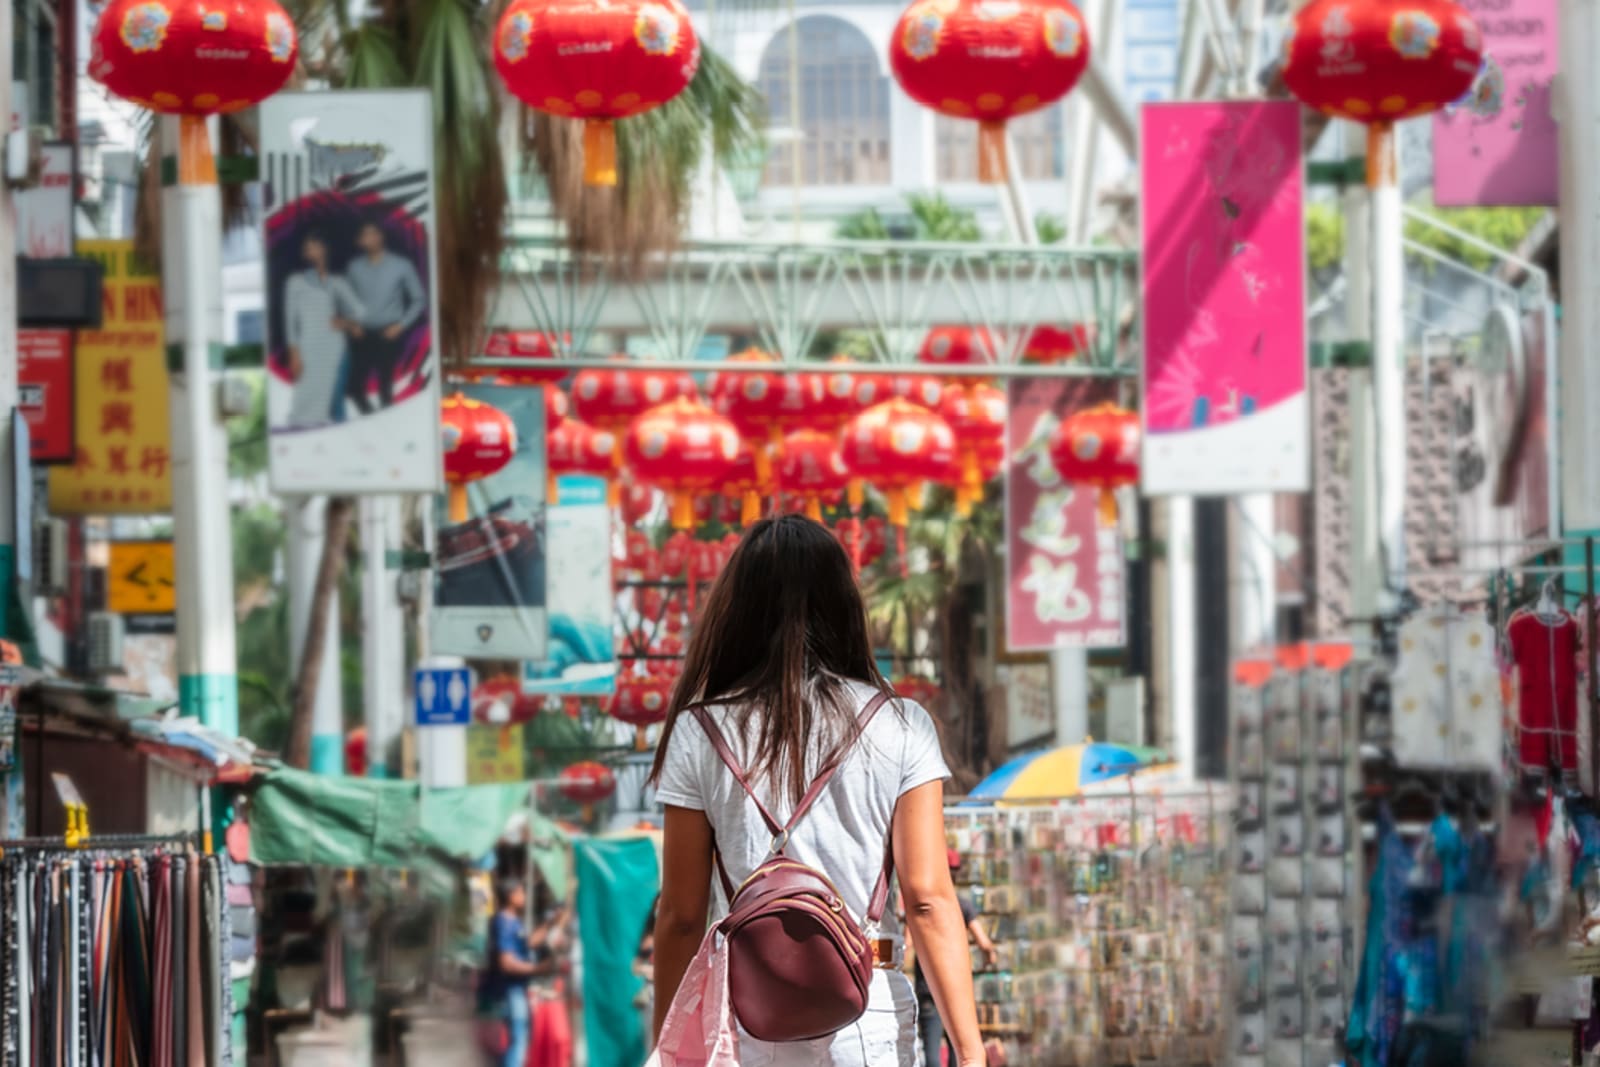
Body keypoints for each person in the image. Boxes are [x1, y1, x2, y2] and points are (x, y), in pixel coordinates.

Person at [649, 514, 986, 1067]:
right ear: (842, 606)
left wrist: (669, 1052)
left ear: (739, 613)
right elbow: (927, 899)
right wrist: (971, 1055)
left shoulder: (699, 730)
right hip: (869, 1011)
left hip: (748, 1017)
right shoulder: (902, 725)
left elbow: (681, 916)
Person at [912, 850, 997, 1067]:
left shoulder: (920, 904)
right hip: (958, 988)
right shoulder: (963, 906)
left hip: (928, 986)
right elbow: (984, 942)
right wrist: (989, 958)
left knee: (931, 1052)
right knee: (961, 1055)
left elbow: (908, 943)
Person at [282, 230, 363, 427]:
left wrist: (343, 322)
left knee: (335, 403)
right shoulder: (295, 283)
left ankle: (344, 447)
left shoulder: (337, 282)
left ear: (324, 248)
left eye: (314, 245)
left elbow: (360, 311)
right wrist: (294, 353)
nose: (309, 250)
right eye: (307, 248)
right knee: (306, 403)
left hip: (335, 349)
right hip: (308, 349)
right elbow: (290, 321)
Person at [343, 220, 425, 413]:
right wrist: (351, 324)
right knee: (354, 387)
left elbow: (419, 299)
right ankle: (371, 421)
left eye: (371, 233)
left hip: (389, 333)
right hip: (362, 334)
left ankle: (387, 427)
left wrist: (401, 325)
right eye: (363, 235)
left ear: (381, 237)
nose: (367, 238)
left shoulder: (401, 265)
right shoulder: (354, 268)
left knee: (385, 389)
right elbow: (345, 300)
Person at [484, 879, 558, 1067]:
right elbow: (506, 963)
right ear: (510, 896)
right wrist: (538, 969)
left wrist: (549, 924)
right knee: (517, 1039)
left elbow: (528, 943)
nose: (524, 896)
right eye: (521, 892)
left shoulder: (514, 921)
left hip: (516, 989)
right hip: (510, 990)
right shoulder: (504, 922)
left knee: (519, 1037)